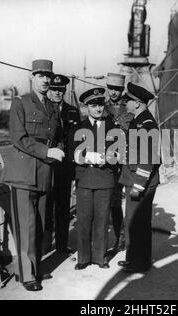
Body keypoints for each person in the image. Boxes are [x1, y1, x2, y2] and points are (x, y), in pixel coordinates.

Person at [1, 59, 64, 291]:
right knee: (27, 226)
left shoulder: (52, 106)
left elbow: (55, 136)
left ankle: (35, 267)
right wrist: (48, 151)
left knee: (39, 224)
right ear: (32, 77)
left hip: (45, 172)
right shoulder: (20, 102)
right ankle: (27, 275)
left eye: (48, 76)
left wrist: (59, 148)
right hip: (24, 172)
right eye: (40, 75)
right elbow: (18, 138)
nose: (46, 80)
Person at [72, 87, 116, 270]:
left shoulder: (113, 128)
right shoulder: (78, 128)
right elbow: (71, 153)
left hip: (105, 179)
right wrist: (87, 157)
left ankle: (100, 257)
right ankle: (83, 258)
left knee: (102, 219)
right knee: (83, 220)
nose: (98, 108)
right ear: (87, 107)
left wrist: (109, 157)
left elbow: (119, 153)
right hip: (85, 180)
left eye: (100, 104)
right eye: (93, 105)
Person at [118, 82, 160, 273]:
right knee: (133, 222)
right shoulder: (138, 120)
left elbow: (148, 159)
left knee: (138, 222)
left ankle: (140, 262)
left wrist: (139, 185)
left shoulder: (146, 124)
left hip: (140, 180)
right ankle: (134, 258)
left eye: (128, 100)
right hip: (133, 178)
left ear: (136, 103)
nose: (125, 103)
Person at [45, 74, 80, 254]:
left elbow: (77, 142)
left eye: (61, 90)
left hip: (65, 168)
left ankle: (61, 244)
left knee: (63, 207)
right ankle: (44, 246)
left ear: (65, 90)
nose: (58, 93)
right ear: (48, 90)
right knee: (45, 206)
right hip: (46, 165)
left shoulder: (73, 111)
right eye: (54, 90)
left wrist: (75, 169)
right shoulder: (43, 109)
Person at [104, 72, 133, 255]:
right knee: (114, 201)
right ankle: (119, 239)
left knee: (130, 201)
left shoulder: (130, 108)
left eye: (117, 89)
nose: (114, 92)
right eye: (111, 88)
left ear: (122, 90)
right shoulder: (102, 107)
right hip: (110, 162)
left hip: (128, 161)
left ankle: (129, 240)